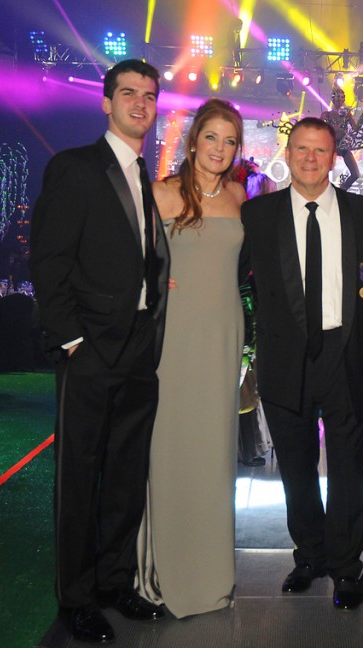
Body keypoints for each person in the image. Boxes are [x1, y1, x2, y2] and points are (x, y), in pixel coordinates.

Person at [29, 58, 170, 644]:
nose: (141, 103)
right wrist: (72, 340)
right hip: (89, 351)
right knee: (79, 479)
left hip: (139, 350)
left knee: (125, 477)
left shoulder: (145, 174)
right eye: (129, 93)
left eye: (150, 95)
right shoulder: (76, 168)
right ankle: (77, 599)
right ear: (106, 102)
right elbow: (48, 261)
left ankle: (115, 584)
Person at [239, 117, 363, 611]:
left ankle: (348, 566)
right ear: (289, 151)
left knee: (348, 467)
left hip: (345, 357)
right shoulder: (258, 215)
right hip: (284, 359)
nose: (309, 158)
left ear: (333, 156)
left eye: (319, 150)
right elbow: (233, 279)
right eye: (301, 149)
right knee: (296, 469)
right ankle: (309, 556)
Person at [134, 99, 247, 618]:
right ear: (193, 140)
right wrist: (155, 282)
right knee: (171, 446)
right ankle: (163, 572)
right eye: (212, 138)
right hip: (175, 336)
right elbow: (129, 259)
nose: (220, 149)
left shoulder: (241, 197)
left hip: (223, 334)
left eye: (229, 141)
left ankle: (211, 572)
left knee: (214, 449)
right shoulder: (160, 194)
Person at [321, 87, 363, 190]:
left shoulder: (347, 114)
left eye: (341, 98)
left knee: (355, 174)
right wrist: (330, 129)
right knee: (322, 172)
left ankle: (341, 191)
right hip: (330, 146)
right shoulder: (326, 115)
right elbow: (318, 131)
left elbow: (356, 129)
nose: (340, 101)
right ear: (333, 99)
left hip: (343, 146)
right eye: (337, 98)